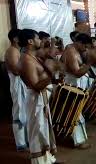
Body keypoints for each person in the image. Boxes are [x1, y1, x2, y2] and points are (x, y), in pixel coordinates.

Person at [18, 29, 61, 163]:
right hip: (35, 98)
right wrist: (51, 73)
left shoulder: (33, 56)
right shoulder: (26, 60)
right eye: (37, 39)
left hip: (41, 99)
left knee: (43, 129)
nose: (40, 41)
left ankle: (47, 159)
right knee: (37, 131)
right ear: (30, 41)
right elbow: (36, 85)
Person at [60, 33, 92, 150]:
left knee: (77, 112)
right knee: (75, 112)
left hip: (75, 83)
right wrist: (89, 63)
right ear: (79, 43)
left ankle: (78, 137)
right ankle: (78, 141)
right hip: (72, 83)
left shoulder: (75, 50)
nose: (86, 49)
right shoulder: (71, 52)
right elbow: (77, 73)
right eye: (85, 46)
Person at [5, 29, 28, 151]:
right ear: (15, 39)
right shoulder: (12, 51)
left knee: (24, 112)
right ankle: (21, 144)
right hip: (17, 84)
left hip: (22, 84)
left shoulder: (17, 50)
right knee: (19, 113)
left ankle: (25, 140)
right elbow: (16, 70)